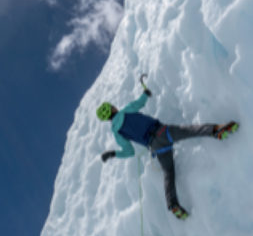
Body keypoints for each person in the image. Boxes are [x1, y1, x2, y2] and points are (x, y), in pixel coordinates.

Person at [97, 87, 238, 220]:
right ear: (112, 108)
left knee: (168, 173)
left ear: (107, 119)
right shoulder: (126, 111)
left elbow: (129, 151)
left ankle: (172, 204)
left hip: (155, 147)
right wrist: (146, 93)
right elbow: (140, 103)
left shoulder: (117, 133)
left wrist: (113, 153)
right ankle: (216, 130)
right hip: (162, 132)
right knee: (190, 130)